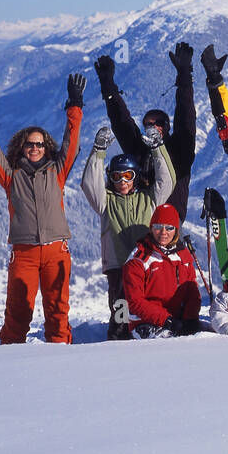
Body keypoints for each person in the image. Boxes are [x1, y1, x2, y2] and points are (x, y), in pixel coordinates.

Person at [0, 74, 84, 344]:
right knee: (18, 312)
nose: (34, 148)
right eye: (29, 144)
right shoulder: (11, 176)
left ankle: (60, 355)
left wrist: (75, 104)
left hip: (56, 250)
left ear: (46, 147)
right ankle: (11, 358)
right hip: (24, 252)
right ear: (22, 148)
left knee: (58, 309)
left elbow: (71, 141)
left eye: (39, 144)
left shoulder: (57, 172)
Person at [81, 125, 174, 340]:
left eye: (127, 176)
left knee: (148, 304)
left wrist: (158, 148)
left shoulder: (149, 199)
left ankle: (150, 331)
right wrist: (98, 150)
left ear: (136, 177)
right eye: (116, 177)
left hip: (147, 266)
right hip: (119, 266)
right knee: (121, 307)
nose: (122, 182)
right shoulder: (105, 201)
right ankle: (119, 336)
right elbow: (89, 183)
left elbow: (166, 181)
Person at [92, 43, 196, 222]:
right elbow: (121, 122)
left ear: (167, 128)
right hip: (141, 220)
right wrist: (108, 87)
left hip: (170, 222)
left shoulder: (180, 150)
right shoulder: (139, 151)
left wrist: (185, 77)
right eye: (147, 123)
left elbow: (186, 118)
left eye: (158, 123)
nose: (152, 126)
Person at [121, 204, 203, 337]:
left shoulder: (183, 255)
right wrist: (166, 320)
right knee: (171, 344)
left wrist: (191, 318)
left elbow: (192, 294)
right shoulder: (139, 259)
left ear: (176, 230)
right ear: (152, 228)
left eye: (169, 228)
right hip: (146, 321)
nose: (163, 232)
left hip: (177, 319)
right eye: (158, 227)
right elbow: (135, 302)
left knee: (207, 336)